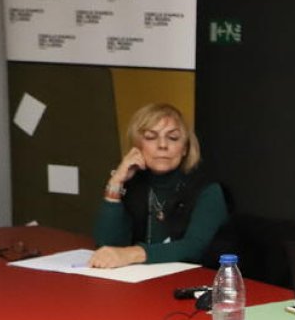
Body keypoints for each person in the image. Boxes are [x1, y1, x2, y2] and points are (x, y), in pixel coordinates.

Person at [90, 103, 227, 268]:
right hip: (138, 282)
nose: (162, 145)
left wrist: (133, 254)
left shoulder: (208, 190)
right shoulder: (132, 184)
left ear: (184, 149)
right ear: (137, 146)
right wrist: (115, 183)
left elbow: (195, 248)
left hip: (189, 283)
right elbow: (107, 245)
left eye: (173, 138)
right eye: (151, 137)